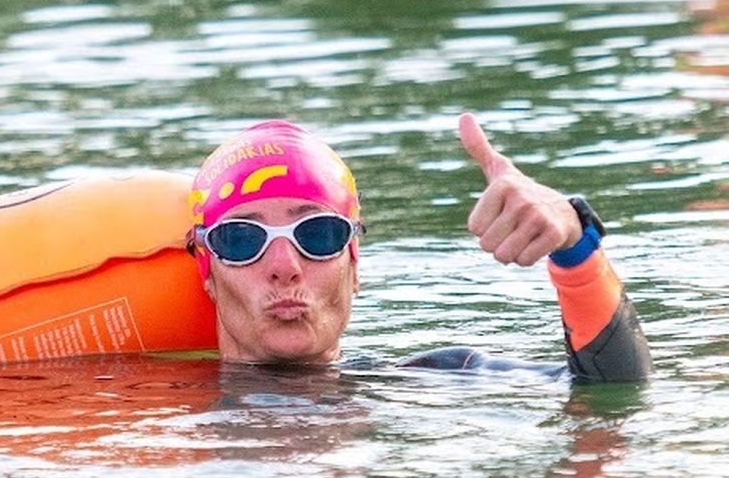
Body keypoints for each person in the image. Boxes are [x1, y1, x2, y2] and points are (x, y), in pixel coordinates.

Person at [186, 119, 650, 382]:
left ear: (354, 264)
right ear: (207, 271)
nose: (284, 268)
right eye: (243, 241)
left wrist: (575, 246)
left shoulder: (433, 381)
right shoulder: (135, 393)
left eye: (317, 235)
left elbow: (614, 390)